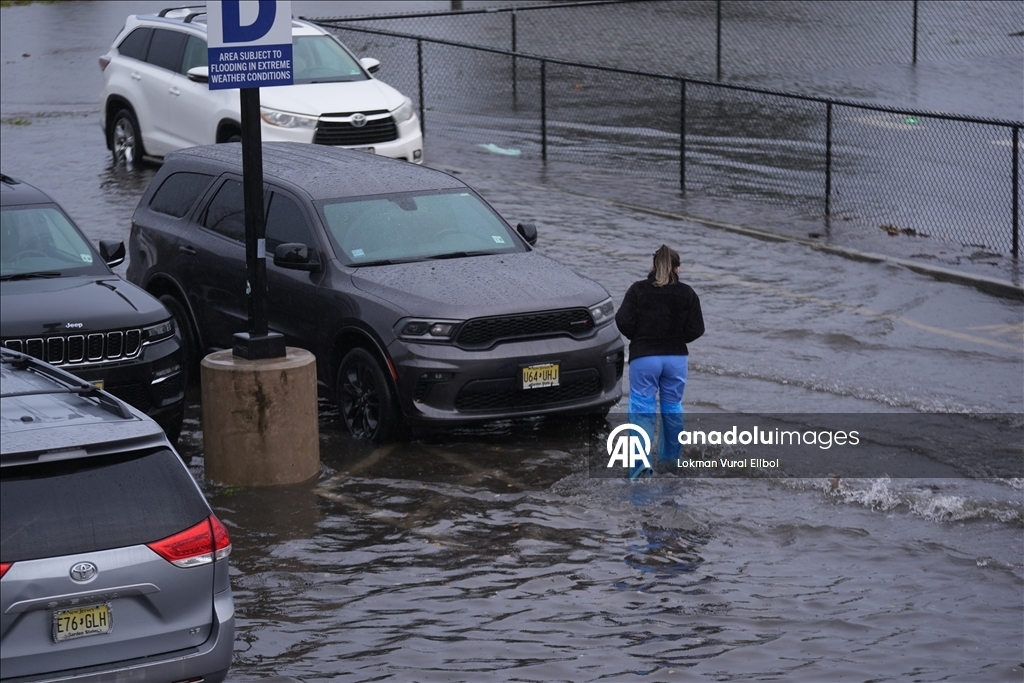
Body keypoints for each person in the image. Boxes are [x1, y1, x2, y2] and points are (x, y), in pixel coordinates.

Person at [615, 245, 705, 478]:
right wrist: (676, 338)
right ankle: (670, 462)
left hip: (645, 358)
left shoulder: (638, 290)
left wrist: (640, 336)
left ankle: (640, 467)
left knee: (642, 409)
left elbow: (622, 320)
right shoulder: (687, 293)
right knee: (672, 407)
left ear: (653, 266)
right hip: (676, 358)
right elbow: (697, 328)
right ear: (678, 268)